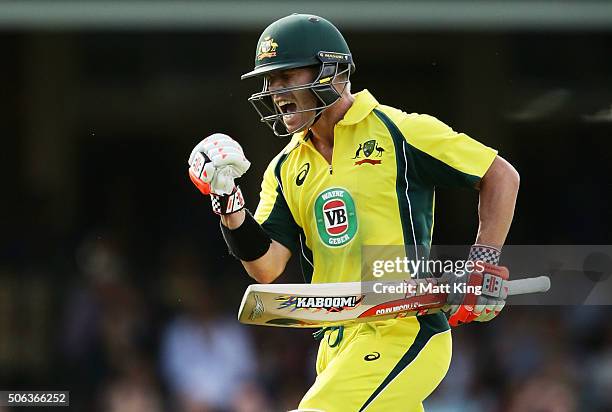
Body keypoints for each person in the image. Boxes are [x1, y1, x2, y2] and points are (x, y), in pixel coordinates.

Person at [187, 14, 520, 412]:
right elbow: (266, 267)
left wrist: (481, 263)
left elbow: (499, 175)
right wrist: (228, 203)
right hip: (333, 343)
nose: (275, 92)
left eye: (286, 76)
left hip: (402, 328)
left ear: (331, 72)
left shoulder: (398, 130)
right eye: (270, 82)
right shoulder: (285, 167)